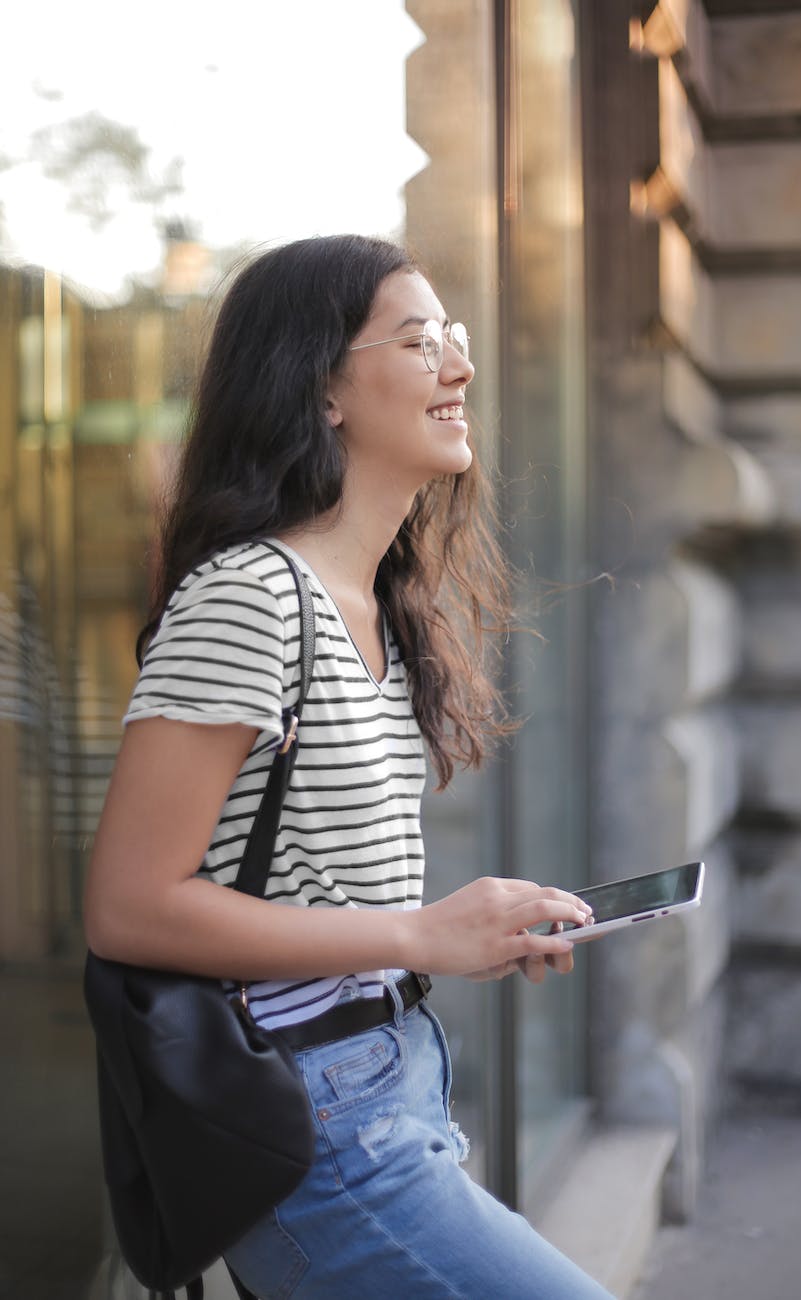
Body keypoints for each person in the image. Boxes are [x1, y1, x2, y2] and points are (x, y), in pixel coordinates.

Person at [84, 234, 613, 1299]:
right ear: (322, 389)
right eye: (421, 342)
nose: (459, 366)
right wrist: (421, 932)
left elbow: (312, 894)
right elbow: (128, 907)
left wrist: (476, 935)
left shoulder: (371, 603)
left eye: (454, 339)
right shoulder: (254, 596)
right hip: (315, 1128)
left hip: (390, 1092)